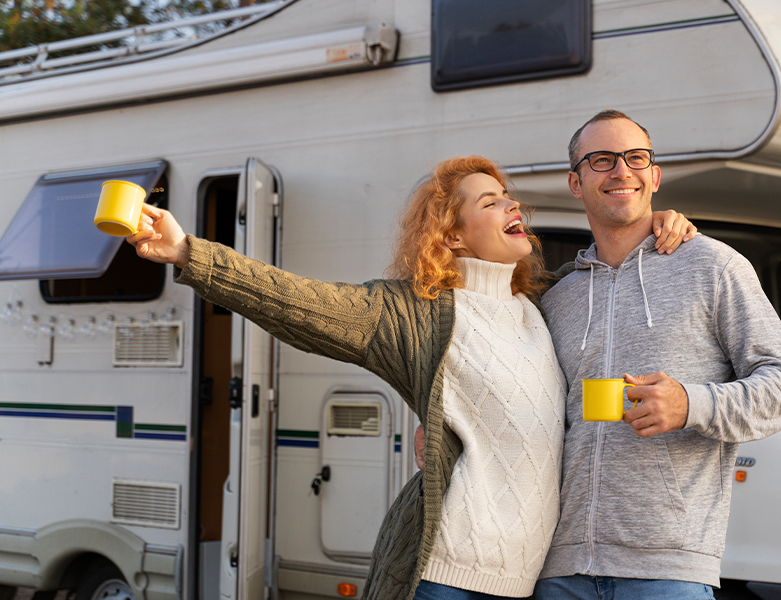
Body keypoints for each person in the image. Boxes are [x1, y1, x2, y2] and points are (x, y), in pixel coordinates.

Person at [124, 156, 695, 600]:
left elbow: (609, 264)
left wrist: (655, 227)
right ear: (452, 234)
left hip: (528, 580)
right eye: (492, 201)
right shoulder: (415, 312)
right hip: (447, 571)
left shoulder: (543, 304)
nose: (512, 205)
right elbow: (295, 302)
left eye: (509, 197)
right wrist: (186, 252)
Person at [534, 110, 781, 599]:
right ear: (576, 183)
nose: (621, 170)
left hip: (668, 570)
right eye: (601, 160)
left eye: (635, 157)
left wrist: (691, 404)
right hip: (560, 568)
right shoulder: (560, 298)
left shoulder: (714, 266)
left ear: (654, 176)